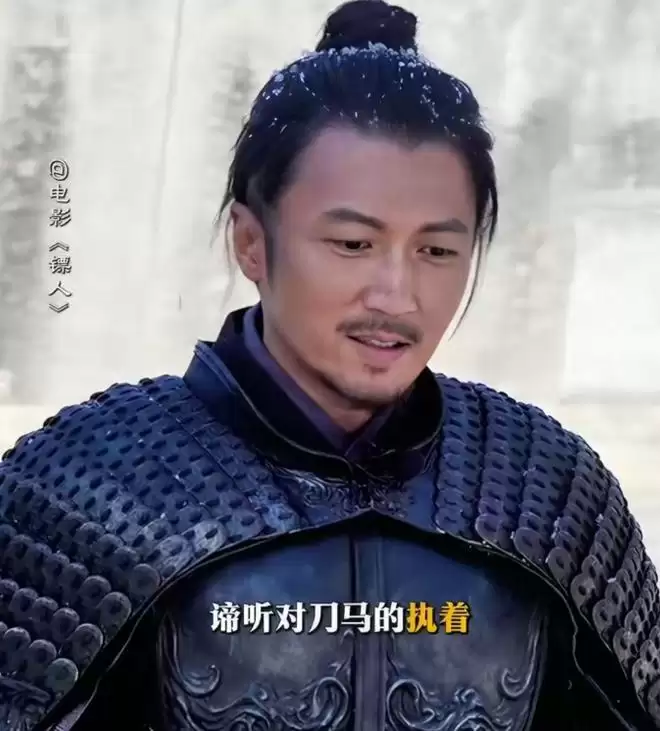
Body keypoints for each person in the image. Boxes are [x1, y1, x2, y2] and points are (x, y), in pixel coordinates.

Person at [0, 1, 658, 729]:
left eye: (437, 250)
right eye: (352, 244)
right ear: (252, 243)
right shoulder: (88, 486)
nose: (396, 295)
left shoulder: (549, 493)